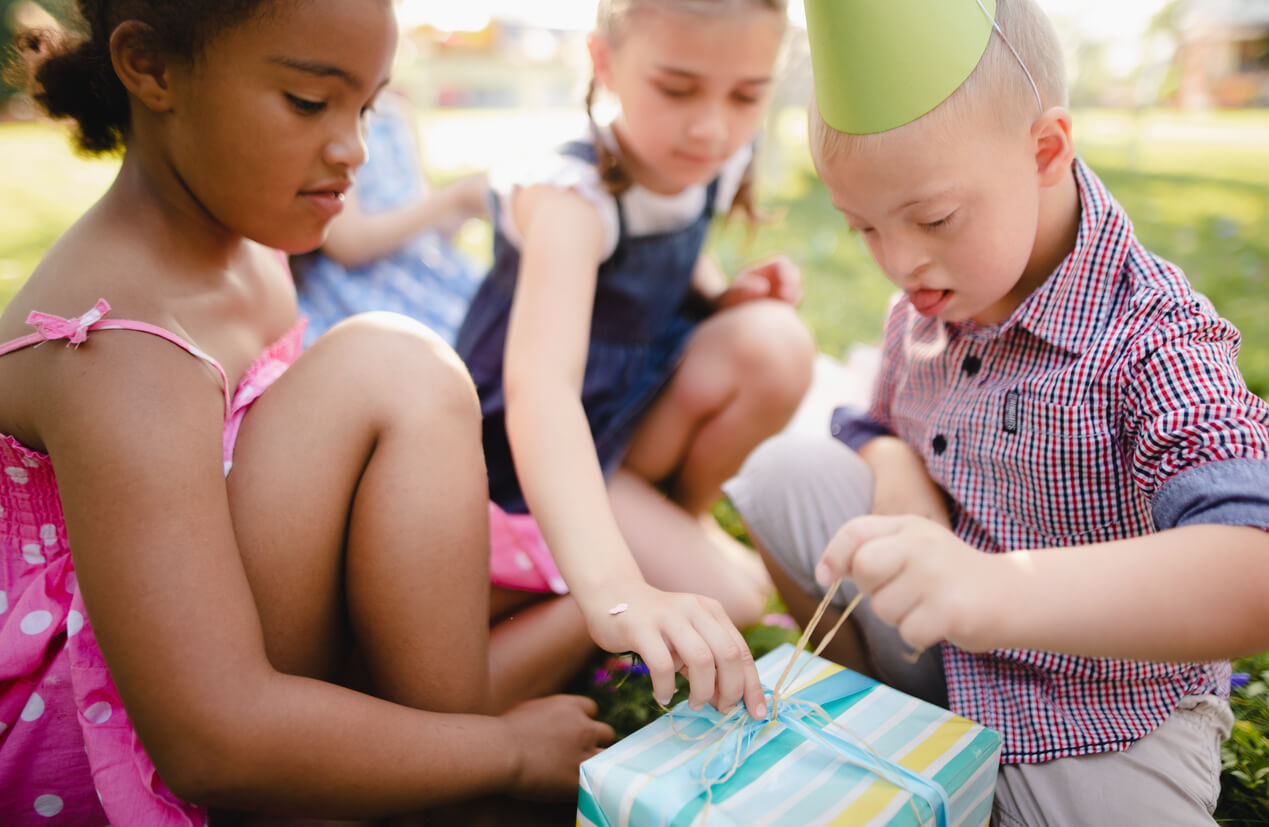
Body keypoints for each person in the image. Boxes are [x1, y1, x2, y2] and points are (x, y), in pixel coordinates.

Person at [0, 2, 611, 825]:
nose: (352, 149)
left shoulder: (248, 239)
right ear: (150, 68)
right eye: (308, 102)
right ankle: (459, 782)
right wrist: (503, 752)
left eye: (365, 107)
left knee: (580, 592)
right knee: (393, 366)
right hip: (126, 728)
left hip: (234, 619)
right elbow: (207, 740)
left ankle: (430, 751)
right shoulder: (119, 350)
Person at [723, 0, 1269, 823]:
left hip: (1098, 714)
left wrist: (994, 587)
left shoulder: (1153, 336)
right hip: (937, 651)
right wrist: (896, 469)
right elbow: (871, 422)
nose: (899, 261)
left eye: (933, 217)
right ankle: (881, 724)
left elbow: (1251, 565)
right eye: (863, 226)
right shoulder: (932, 292)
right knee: (785, 472)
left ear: (1046, 150)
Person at [454, 0, 816, 720]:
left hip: (628, 417)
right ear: (604, 63)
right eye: (677, 88)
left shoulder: (703, 156)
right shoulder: (573, 199)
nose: (711, 126)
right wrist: (618, 584)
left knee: (772, 342)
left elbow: (671, 260)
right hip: (533, 453)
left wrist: (720, 296)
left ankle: (663, 523)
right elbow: (541, 390)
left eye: (746, 95)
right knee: (736, 592)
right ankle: (618, 572)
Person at [291, 88, 488, 348]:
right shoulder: (330, 116)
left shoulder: (396, 109)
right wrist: (453, 199)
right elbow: (348, 243)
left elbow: (419, 211)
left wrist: (471, 206)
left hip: (425, 273)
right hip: (366, 292)